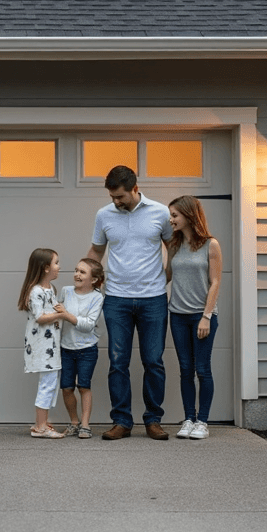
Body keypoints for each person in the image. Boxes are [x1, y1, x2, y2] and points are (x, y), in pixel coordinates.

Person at [87, 165, 176, 441]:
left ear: (135, 189)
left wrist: (165, 278)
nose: (116, 202)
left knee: (153, 361)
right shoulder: (104, 215)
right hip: (116, 300)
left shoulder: (161, 213)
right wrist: (85, 280)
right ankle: (122, 421)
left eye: (120, 197)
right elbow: (96, 251)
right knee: (117, 362)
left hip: (153, 300)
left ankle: (153, 420)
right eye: (113, 197)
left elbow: (174, 248)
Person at [165, 195, 223, 441]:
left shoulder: (211, 245)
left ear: (189, 215)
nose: (171, 220)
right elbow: (165, 276)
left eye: (175, 215)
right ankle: (188, 418)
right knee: (185, 369)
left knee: (202, 369)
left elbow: (215, 282)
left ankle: (203, 421)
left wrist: (206, 316)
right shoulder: (174, 245)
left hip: (201, 316)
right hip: (177, 315)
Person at [18, 248, 65, 438]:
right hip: (43, 348)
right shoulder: (36, 291)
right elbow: (39, 317)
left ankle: (43, 423)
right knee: (47, 383)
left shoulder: (49, 290)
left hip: (52, 346)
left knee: (51, 382)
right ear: (46, 268)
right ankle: (40, 426)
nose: (59, 267)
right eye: (56, 263)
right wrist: (61, 314)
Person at [57, 258, 106, 440]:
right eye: (76, 270)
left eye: (82, 272)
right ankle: (74, 422)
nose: (77, 274)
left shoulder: (97, 297)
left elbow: (88, 325)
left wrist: (66, 315)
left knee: (84, 386)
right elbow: (57, 313)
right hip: (66, 348)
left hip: (87, 349)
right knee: (67, 387)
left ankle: (85, 425)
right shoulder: (66, 291)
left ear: (93, 279)